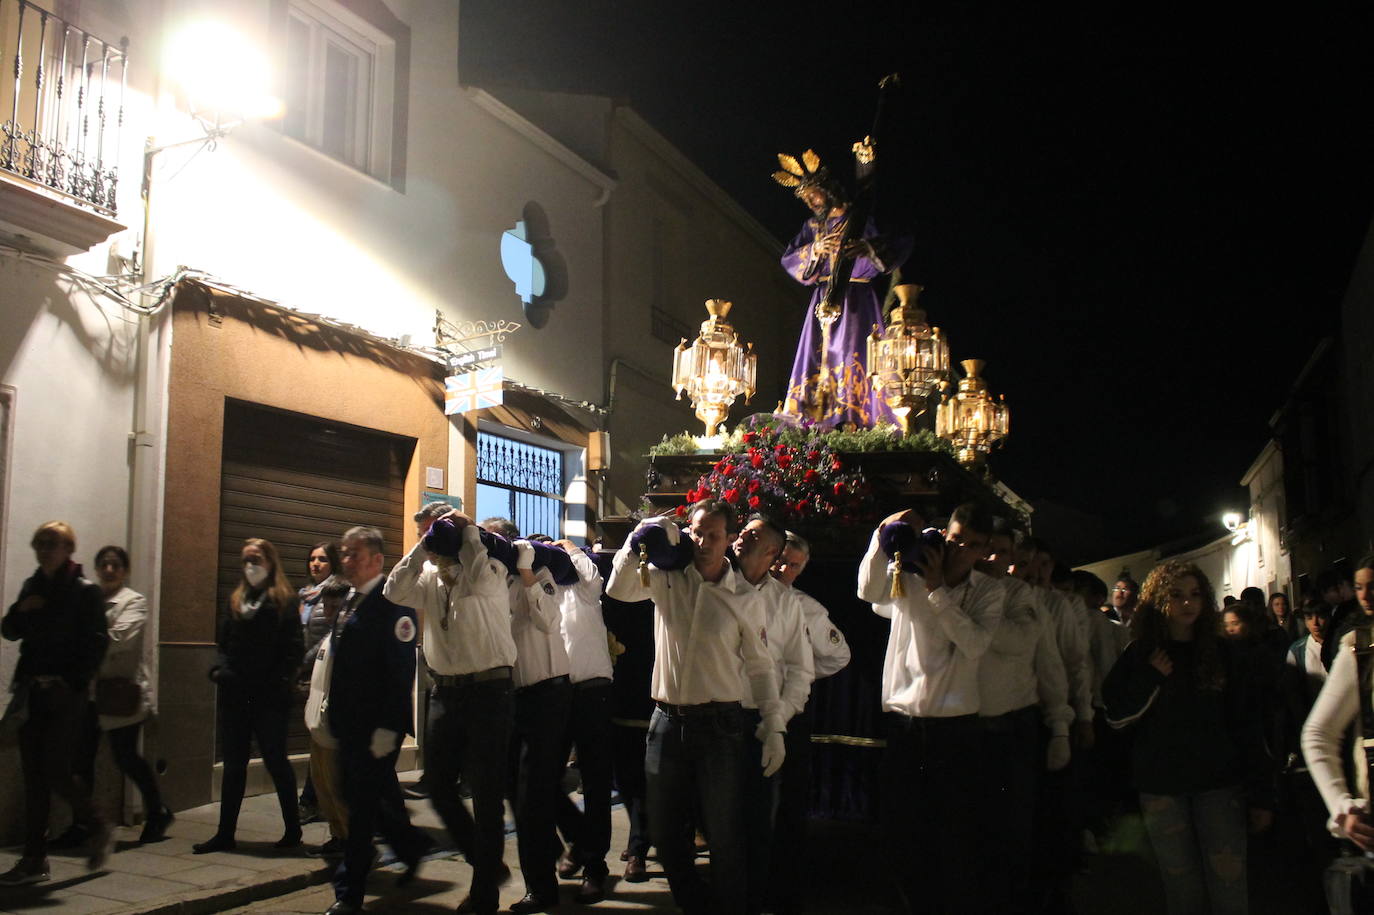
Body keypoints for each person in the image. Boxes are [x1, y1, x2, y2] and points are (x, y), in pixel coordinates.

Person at [606, 500, 785, 915]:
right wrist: (638, 540)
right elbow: (618, 590)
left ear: (728, 542)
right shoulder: (668, 577)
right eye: (697, 532)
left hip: (719, 725)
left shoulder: (743, 595)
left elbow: (760, 665)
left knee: (724, 835)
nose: (703, 542)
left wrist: (773, 723)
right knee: (666, 835)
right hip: (666, 721)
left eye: (714, 535)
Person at [1103, 559, 1273, 915]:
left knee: (1229, 887)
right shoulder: (1142, 654)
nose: (1187, 602)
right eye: (1177, 594)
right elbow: (1116, 715)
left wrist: (1260, 792)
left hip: (1218, 784)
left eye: (1195, 594)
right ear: (1159, 600)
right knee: (1182, 890)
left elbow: (1245, 722)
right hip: (1163, 786)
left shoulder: (1222, 652)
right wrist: (1151, 678)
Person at [857, 502, 1004, 914]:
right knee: (901, 832)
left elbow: (975, 644)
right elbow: (868, 594)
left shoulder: (988, 590)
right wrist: (883, 537)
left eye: (972, 546)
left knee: (952, 834)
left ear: (984, 550)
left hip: (955, 729)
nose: (960, 550)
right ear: (945, 533)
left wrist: (939, 589)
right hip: (905, 723)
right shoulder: (910, 574)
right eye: (956, 539)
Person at [385, 511, 516, 915]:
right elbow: (392, 591)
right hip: (444, 692)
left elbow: (475, 577)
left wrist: (469, 532)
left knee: (487, 795)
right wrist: (424, 543)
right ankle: (486, 860)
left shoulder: (491, 569)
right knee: (439, 787)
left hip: (489, 691)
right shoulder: (428, 577)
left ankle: (483, 894)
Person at [323, 526, 430, 915]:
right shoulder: (349, 599)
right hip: (349, 724)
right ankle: (410, 844)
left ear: (375, 560)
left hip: (376, 728)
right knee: (354, 797)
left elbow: (401, 672)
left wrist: (389, 729)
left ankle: (349, 893)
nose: (345, 560)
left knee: (361, 809)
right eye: (344, 553)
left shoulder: (393, 603)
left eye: (353, 554)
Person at [0, 522, 111, 885]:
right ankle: (34, 860)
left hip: (66, 695)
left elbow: (96, 643)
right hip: (32, 690)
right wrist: (21, 610)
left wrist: (72, 683)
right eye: (40, 543)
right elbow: (10, 631)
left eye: (53, 544)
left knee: (55, 770)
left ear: (68, 549)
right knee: (34, 776)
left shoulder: (84, 592)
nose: (45, 549)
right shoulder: (34, 586)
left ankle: (97, 825)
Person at [773, 149, 910, 428]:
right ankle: (812, 418)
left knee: (852, 354)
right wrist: (815, 249)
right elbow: (789, 258)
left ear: (828, 189)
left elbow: (899, 242)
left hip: (857, 301)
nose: (810, 202)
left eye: (814, 194)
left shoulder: (859, 218)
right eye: (806, 199)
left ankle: (854, 416)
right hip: (823, 300)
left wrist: (868, 249)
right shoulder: (813, 226)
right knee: (816, 356)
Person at [975, 522, 1071, 913]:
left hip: (1012, 727)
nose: (991, 558)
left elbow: (1049, 664)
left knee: (1013, 833)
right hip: (965, 728)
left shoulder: (1022, 597)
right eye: (985, 549)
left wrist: (1062, 724)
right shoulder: (955, 590)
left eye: (1001, 551)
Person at [194, 538, 303, 854]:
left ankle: (292, 829)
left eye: (256, 559)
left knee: (276, 761)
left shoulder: (284, 601)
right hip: (236, 694)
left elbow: (292, 649)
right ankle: (225, 833)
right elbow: (225, 643)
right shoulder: (237, 600)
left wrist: (278, 680)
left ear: (270, 562)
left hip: (269, 697)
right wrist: (221, 670)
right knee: (234, 765)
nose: (250, 566)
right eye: (246, 560)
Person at [732, 515, 812, 915]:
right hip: (714, 716)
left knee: (757, 823)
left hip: (761, 721)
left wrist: (777, 718)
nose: (740, 538)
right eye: (742, 531)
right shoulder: (715, 582)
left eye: (752, 535)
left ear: (771, 553)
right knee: (714, 824)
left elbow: (800, 668)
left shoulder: (785, 603)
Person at [766, 530, 849, 915]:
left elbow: (838, 656)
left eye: (793, 564)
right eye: (780, 559)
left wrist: (799, 677)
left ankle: (784, 889)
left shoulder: (807, 608)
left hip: (790, 713)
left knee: (787, 806)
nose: (784, 568)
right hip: (749, 709)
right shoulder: (744, 592)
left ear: (802, 569)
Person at [80, 546, 173, 844]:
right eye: (104, 564)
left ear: (125, 570)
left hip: (120, 693)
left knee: (126, 757)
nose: (109, 570)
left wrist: (81, 638)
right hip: (88, 692)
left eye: (115, 565)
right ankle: (82, 824)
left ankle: (157, 811)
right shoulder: (90, 599)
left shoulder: (134, 602)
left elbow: (118, 639)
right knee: (81, 758)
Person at [1300, 556, 1374, 901]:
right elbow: (1318, 734)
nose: (1366, 597)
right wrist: (1341, 806)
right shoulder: (1360, 650)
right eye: (1360, 588)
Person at [553, 538, 616, 905]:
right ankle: (579, 838)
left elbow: (596, 579)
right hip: (556, 691)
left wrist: (571, 549)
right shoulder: (543, 588)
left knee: (594, 783)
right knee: (543, 779)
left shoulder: (585, 587)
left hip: (593, 690)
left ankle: (594, 866)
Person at [302, 576, 352, 860]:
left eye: (336, 606)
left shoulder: (349, 639)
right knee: (322, 786)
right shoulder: (328, 638)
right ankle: (338, 836)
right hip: (318, 722)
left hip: (335, 726)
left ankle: (350, 842)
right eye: (327, 606)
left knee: (337, 788)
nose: (331, 612)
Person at [297, 540, 340, 825]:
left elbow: (332, 633)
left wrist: (305, 662)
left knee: (322, 739)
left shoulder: (337, 593)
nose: (316, 564)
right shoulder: (304, 595)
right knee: (317, 739)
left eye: (322, 559)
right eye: (312, 558)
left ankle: (311, 800)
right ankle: (317, 799)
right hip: (308, 673)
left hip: (324, 671)